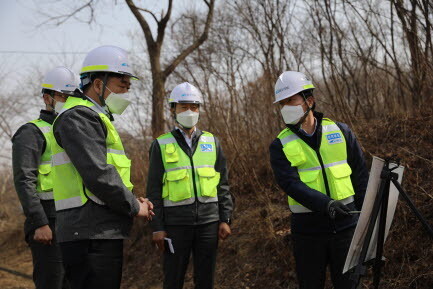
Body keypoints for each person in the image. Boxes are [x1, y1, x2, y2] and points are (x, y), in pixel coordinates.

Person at [50, 45, 153, 289]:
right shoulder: (78, 117)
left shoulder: (96, 117)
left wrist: (131, 201)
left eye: (129, 88)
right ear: (98, 84)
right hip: (89, 233)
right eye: (122, 87)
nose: (126, 94)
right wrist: (134, 205)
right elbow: (98, 174)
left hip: (97, 230)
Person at [269, 71, 369, 288]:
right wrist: (326, 204)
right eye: (282, 103)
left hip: (347, 228)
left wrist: (365, 217)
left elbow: (360, 174)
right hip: (308, 233)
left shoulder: (341, 131)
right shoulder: (279, 145)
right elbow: (290, 184)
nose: (286, 107)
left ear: (309, 101)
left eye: (291, 100)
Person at [147, 82, 233, 289]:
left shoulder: (213, 142)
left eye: (194, 107)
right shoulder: (160, 144)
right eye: (184, 107)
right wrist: (157, 227)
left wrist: (225, 218)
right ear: (172, 109)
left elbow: (223, 184)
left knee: (206, 280)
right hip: (176, 226)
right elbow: (153, 190)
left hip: (208, 223)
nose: (189, 111)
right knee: (173, 278)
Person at [12, 66, 77, 289]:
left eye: (72, 97)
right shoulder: (31, 132)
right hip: (48, 223)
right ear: (47, 98)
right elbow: (24, 180)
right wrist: (39, 223)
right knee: (52, 282)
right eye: (63, 96)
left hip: (74, 223)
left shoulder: (76, 131)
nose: (68, 101)